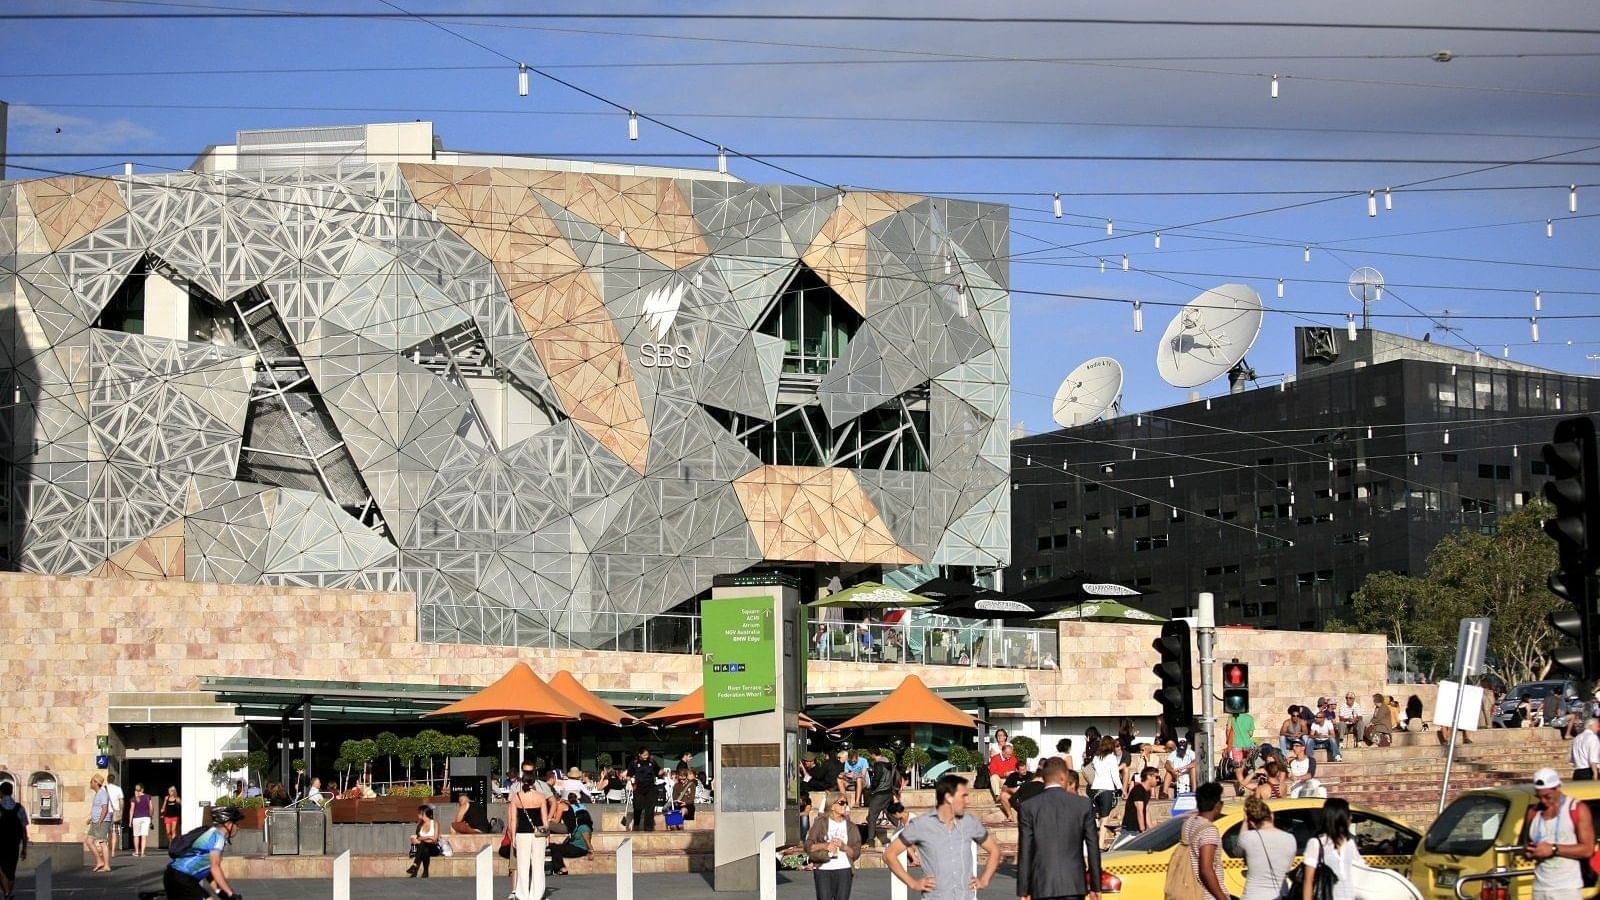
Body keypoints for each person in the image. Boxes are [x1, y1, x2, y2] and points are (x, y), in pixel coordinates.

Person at [884, 775, 1000, 900]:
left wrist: (984, 880)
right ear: (949, 798)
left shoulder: (969, 822)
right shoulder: (922, 825)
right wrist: (913, 883)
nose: (968, 801)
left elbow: (995, 850)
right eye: (963, 796)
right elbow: (889, 855)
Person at [1016, 757, 1100, 900]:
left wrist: (1024, 889)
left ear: (1044, 777)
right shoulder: (1083, 805)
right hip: (1074, 884)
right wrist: (1095, 886)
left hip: (1042, 885)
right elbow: (1092, 846)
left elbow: (1025, 849)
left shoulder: (1028, 807)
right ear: (1063, 776)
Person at [1520, 768, 1596, 900]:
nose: (1543, 801)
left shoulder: (1577, 809)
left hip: (1567, 889)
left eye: (1547, 796)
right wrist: (1529, 852)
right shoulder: (1533, 812)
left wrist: (1554, 849)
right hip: (1540, 888)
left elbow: (1587, 849)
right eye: (1539, 797)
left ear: (1558, 788)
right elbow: (1525, 844)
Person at [164, 805, 243, 900]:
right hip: (183, 877)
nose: (238, 828)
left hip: (173, 875)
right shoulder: (218, 838)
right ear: (229, 824)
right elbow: (215, 867)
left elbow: (209, 872)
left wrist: (221, 892)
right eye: (237, 824)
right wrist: (230, 893)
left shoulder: (211, 833)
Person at [1301, 797, 1364, 900]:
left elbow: (1361, 869)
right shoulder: (1316, 844)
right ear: (1340, 817)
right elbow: (1308, 880)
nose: (1351, 818)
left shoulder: (1350, 843)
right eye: (1348, 814)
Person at [506, 759, 550, 900]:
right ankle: (536, 895)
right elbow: (544, 820)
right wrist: (547, 836)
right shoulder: (541, 796)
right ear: (533, 781)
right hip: (538, 835)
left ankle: (523, 894)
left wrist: (513, 836)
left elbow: (513, 819)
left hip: (522, 834)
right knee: (538, 865)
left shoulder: (516, 797)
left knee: (522, 865)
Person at [1240, 794, 1295, 900]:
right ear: (1272, 815)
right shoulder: (1290, 838)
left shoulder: (1248, 838)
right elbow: (1288, 865)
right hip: (1280, 893)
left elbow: (1238, 850)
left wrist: (1244, 822)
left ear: (1251, 823)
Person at [806, 793, 861, 900]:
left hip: (844, 869)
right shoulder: (820, 823)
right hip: (823, 869)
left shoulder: (851, 826)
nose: (845, 806)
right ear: (832, 806)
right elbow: (808, 846)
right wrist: (826, 845)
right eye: (841, 803)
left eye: (846, 803)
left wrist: (844, 847)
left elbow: (856, 852)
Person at [1183, 782, 1229, 900]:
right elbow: (1206, 869)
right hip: (1207, 895)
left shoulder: (1189, 822)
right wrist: (1222, 897)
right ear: (1217, 805)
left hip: (1191, 892)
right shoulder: (1208, 831)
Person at [547, 797, 594, 876]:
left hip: (579, 849)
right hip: (574, 846)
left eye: (577, 816)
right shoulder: (579, 827)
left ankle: (561, 868)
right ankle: (557, 868)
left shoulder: (584, 827)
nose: (576, 818)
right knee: (554, 847)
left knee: (556, 848)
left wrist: (591, 851)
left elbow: (587, 841)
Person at [0, 781, 29, 900]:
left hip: (1, 843)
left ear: (1, 792)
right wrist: (24, 848)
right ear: (12, 791)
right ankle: (8, 894)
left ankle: (7, 893)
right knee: (11, 872)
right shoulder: (19, 808)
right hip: (14, 844)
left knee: (1, 869)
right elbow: (24, 829)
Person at [863, 751, 898, 846]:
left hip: (879, 794)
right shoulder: (890, 765)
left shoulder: (879, 765)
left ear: (872, 754)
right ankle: (905, 830)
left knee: (872, 817)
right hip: (888, 793)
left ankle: (870, 841)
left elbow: (876, 780)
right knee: (890, 814)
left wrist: (871, 790)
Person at [1088, 735, 1124, 823]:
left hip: (1094, 788)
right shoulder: (1112, 758)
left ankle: (1100, 834)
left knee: (1098, 816)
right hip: (1106, 789)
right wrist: (1122, 789)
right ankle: (1102, 836)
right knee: (1105, 818)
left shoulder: (1096, 758)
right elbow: (1115, 776)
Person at [626, 747, 662, 832]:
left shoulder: (652, 761)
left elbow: (658, 771)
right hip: (639, 787)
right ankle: (636, 824)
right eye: (644, 754)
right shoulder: (634, 762)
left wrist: (663, 772)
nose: (646, 756)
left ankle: (648, 827)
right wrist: (628, 781)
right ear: (640, 754)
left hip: (650, 787)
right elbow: (629, 774)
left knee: (650, 808)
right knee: (637, 806)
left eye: (647, 754)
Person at [86, 773, 112, 873]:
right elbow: (97, 808)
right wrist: (92, 819)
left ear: (96, 783)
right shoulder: (98, 793)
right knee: (89, 841)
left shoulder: (102, 793)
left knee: (102, 842)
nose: (90, 783)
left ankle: (106, 865)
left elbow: (104, 808)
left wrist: (100, 821)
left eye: (92, 781)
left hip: (102, 821)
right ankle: (99, 861)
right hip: (95, 821)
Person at [406, 804, 440, 878]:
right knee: (425, 850)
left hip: (433, 848)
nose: (418, 814)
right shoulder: (420, 825)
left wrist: (424, 838)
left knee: (424, 845)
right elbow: (419, 839)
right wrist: (415, 841)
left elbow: (434, 839)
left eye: (419, 813)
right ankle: (425, 872)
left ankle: (414, 866)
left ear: (424, 813)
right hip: (423, 848)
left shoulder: (434, 823)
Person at [1122, 766, 1157, 838]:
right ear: (1149, 777)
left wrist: (1151, 829)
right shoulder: (1138, 790)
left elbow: (1146, 811)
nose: (1158, 780)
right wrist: (1143, 830)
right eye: (1156, 777)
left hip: (1138, 830)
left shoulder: (1147, 791)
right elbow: (1139, 811)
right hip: (1132, 830)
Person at [128, 784, 154, 858]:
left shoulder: (133, 798)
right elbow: (151, 807)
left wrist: (130, 821)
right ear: (142, 789)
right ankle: (142, 853)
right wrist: (151, 816)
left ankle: (136, 852)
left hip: (136, 818)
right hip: (146, 818)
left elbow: (131, 810)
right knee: (144, 836)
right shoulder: (148, 796)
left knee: (136, 835)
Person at [104, 774, 125, 859]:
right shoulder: (118, 789)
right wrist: (121, 811)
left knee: (105, 833)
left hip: (105, 813)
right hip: (115, 813)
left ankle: (106, 850)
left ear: (107, 780)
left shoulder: (104, 788)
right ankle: (112, 852)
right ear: (114, 780)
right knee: (114, 833)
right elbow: (121, 801)